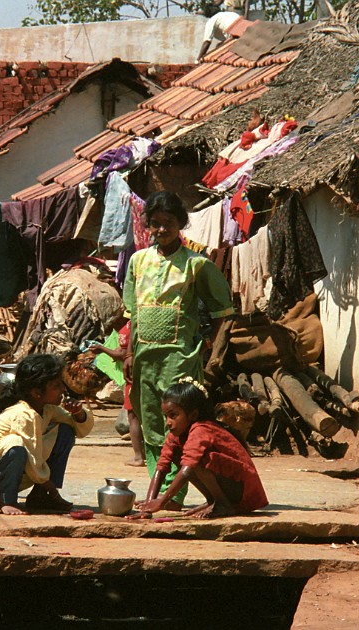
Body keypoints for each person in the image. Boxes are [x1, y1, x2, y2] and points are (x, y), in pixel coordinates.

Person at [123, 191, 234, 509]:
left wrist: (207, 348)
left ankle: (174, 495)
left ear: (181, 224)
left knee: (179, 424)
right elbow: (132, 312)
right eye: (155, 224)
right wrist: (130, 354)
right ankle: (158, 492)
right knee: (152, 425)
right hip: (144, 358)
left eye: (168, 224)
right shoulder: (138, 261)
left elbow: (222, 311)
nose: (160, 230)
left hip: (180, 359)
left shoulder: (196, 265)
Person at [0, 354, 94, 515]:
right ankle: (6, 499)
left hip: (23, 469)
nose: (63, 390)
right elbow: (33, 459)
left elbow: (80, 429)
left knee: (65, 432)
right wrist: (53, 491)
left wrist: (78, 413)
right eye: (56, 386)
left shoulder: (47, 409)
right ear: (37, 393)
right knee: (15, 444)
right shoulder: (22, 414)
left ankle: (40, 496)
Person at [129, 378, 268, 519]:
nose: (168, 423)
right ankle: (214, 501)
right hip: (231, 490)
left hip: (244, 494)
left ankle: (222, 504)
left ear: (193, 415)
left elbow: (187, 470)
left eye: (173, 415)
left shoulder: (201, 430)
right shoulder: (176, 434)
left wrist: (161, 502)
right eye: (166, 417)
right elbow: (161, 467)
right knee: (180, 456)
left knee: (196, 461)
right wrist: (148, 507)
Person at [91, 320, 145, 467]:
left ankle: (138, 456)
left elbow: (122, 354)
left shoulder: (132, 326)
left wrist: (102, 349)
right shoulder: (137, 322)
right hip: (141, 374)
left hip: (132, 377)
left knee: (133, 416)